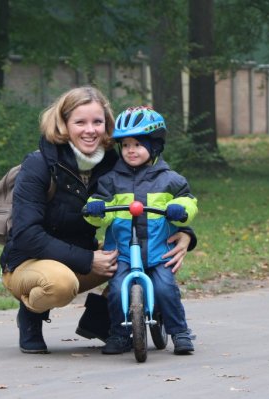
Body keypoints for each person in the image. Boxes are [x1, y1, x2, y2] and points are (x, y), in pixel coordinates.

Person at [0, 87, 197, 354]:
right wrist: (88, 259)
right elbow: (26, 234)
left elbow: (160, 191)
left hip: (84, 255)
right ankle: (30, 316)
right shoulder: (40, 165)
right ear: (64, 124)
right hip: (30, 260)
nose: (90, 130)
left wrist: (185, 233)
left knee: (134, 258)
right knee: (61, 283)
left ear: (107, 126)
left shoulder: (113, 164)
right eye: (80, 122)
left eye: (97, 122)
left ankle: (107, 325)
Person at [84, 106, 198, 355]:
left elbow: (188, 201)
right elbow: (103, 210)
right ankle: (120, 334)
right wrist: (95, 211)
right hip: (124, 251)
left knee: (165, 288)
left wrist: (180, 208)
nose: (130, 150)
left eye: (137, 144)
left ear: (155, 145)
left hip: (157, 250)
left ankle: (179, 332)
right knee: (116, 290)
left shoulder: (170, 179)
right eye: (125, 145)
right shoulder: (111, 180)